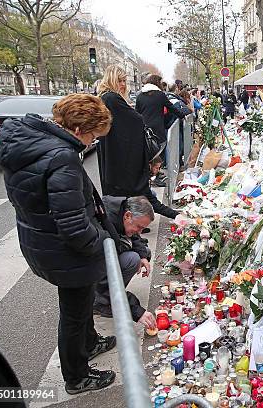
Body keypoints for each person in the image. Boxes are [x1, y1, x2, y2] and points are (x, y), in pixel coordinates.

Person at [0, 94, 116, 394]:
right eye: (92, 136)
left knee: (81, 303)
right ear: (78, 128)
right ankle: (76, 376)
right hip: (64, 250)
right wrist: (103, 242)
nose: (92, 143)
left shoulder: (32, 144)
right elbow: (74, 226)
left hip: (41, 239)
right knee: (74, 313)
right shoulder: (61, 156)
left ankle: (89, 343)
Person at [97, 65, 179, 219]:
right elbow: (135, 120)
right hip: (122, 161)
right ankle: (130, 228)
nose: (123, 84)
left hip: (115, 158)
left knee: (125, 198)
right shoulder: (111, 98)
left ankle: (132, 226)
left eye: (124, 81)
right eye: (120, 80)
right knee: (128, 197)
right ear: (111, 80)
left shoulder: (106, 98)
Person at [93, 196, 157, 330]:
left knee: (142, 253)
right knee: (132, 259)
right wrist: (136, 310)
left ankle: (111, 299)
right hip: (94, 269)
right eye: (139, 227)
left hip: (106, 258)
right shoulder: (105, 224)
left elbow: (134, 237)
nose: (140, 232)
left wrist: (143, 256)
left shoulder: (122, 215)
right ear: (128, 216)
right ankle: (101, 301)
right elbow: (112, 274)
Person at [136, 74, 187, 161]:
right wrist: (182, 115)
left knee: (148, 150)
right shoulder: (160, 95)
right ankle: (158, 170)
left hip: (145, 128)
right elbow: (171, 108)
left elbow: (137, 112)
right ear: (156, 83)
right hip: (158, 128)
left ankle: (149, 171)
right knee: (160, 150)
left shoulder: (140, 96)